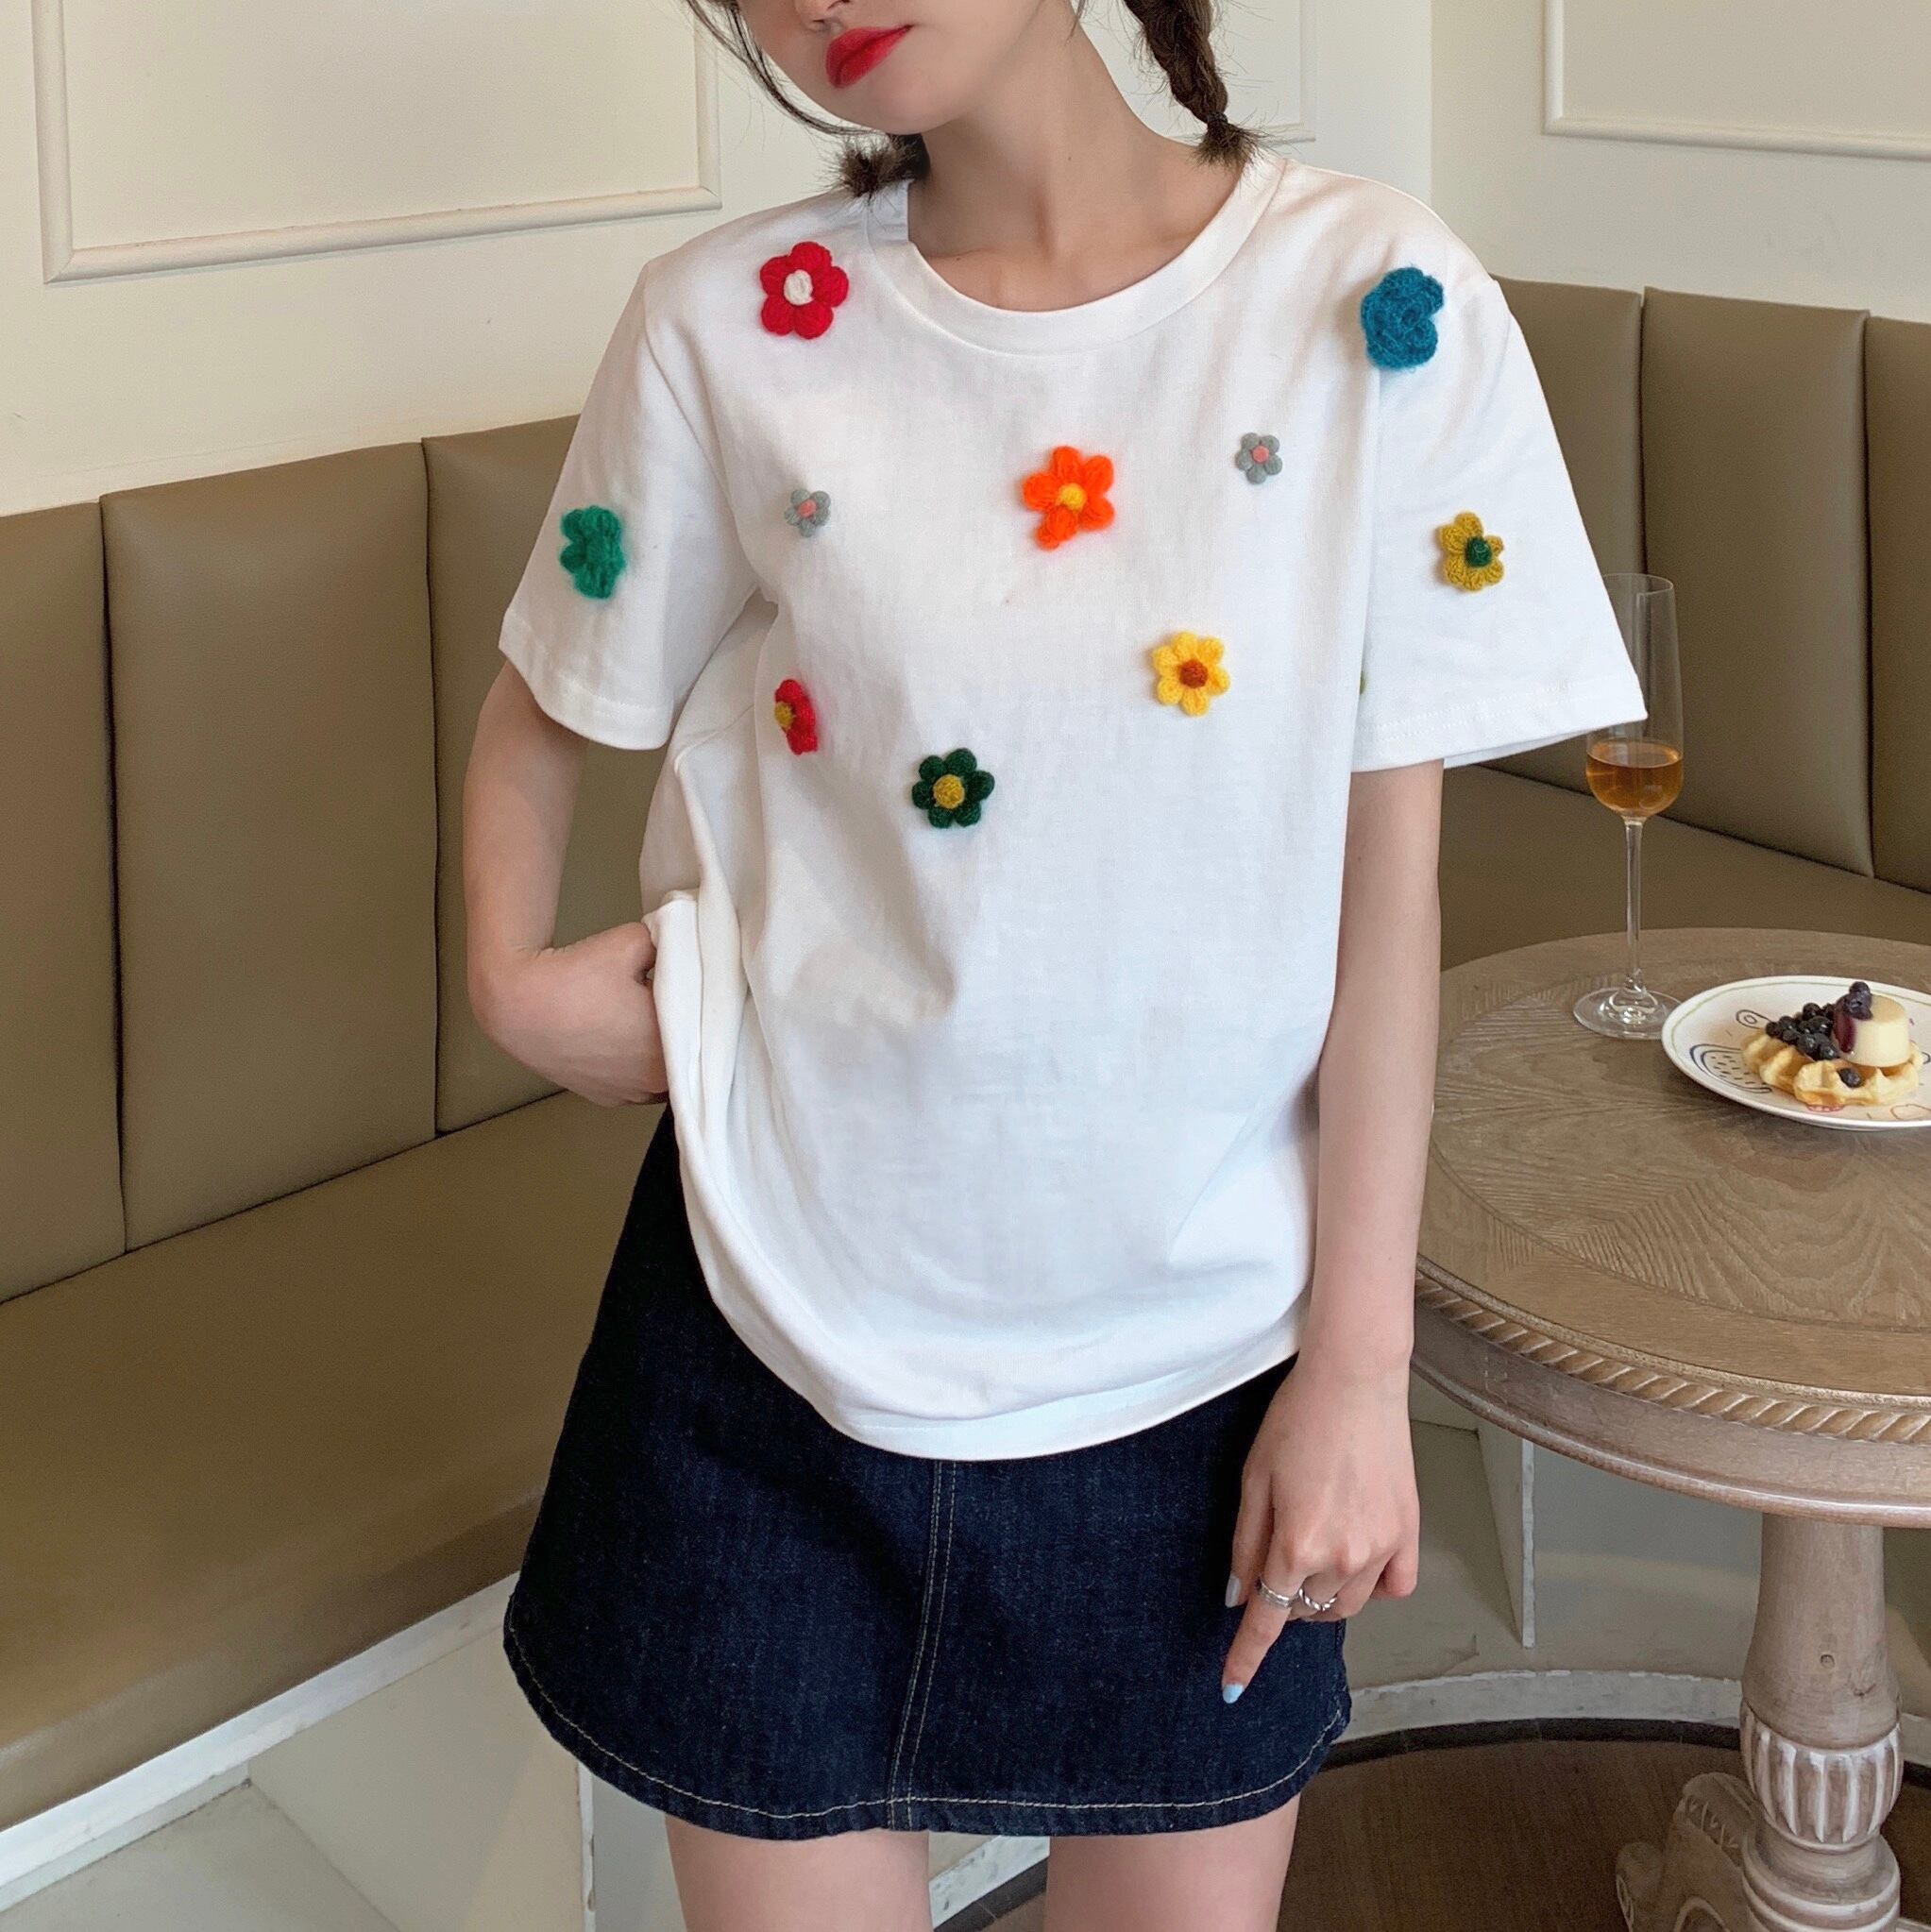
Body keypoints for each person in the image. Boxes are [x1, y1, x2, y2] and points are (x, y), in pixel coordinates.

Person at [461, 1, 1648, 1926]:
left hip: (1193, 1383)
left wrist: (1360, 1375)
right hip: (764, 1340)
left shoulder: (1375, 301)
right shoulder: (729, 322)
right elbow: (547, 689)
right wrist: (510, 981)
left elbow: (1383, 908)